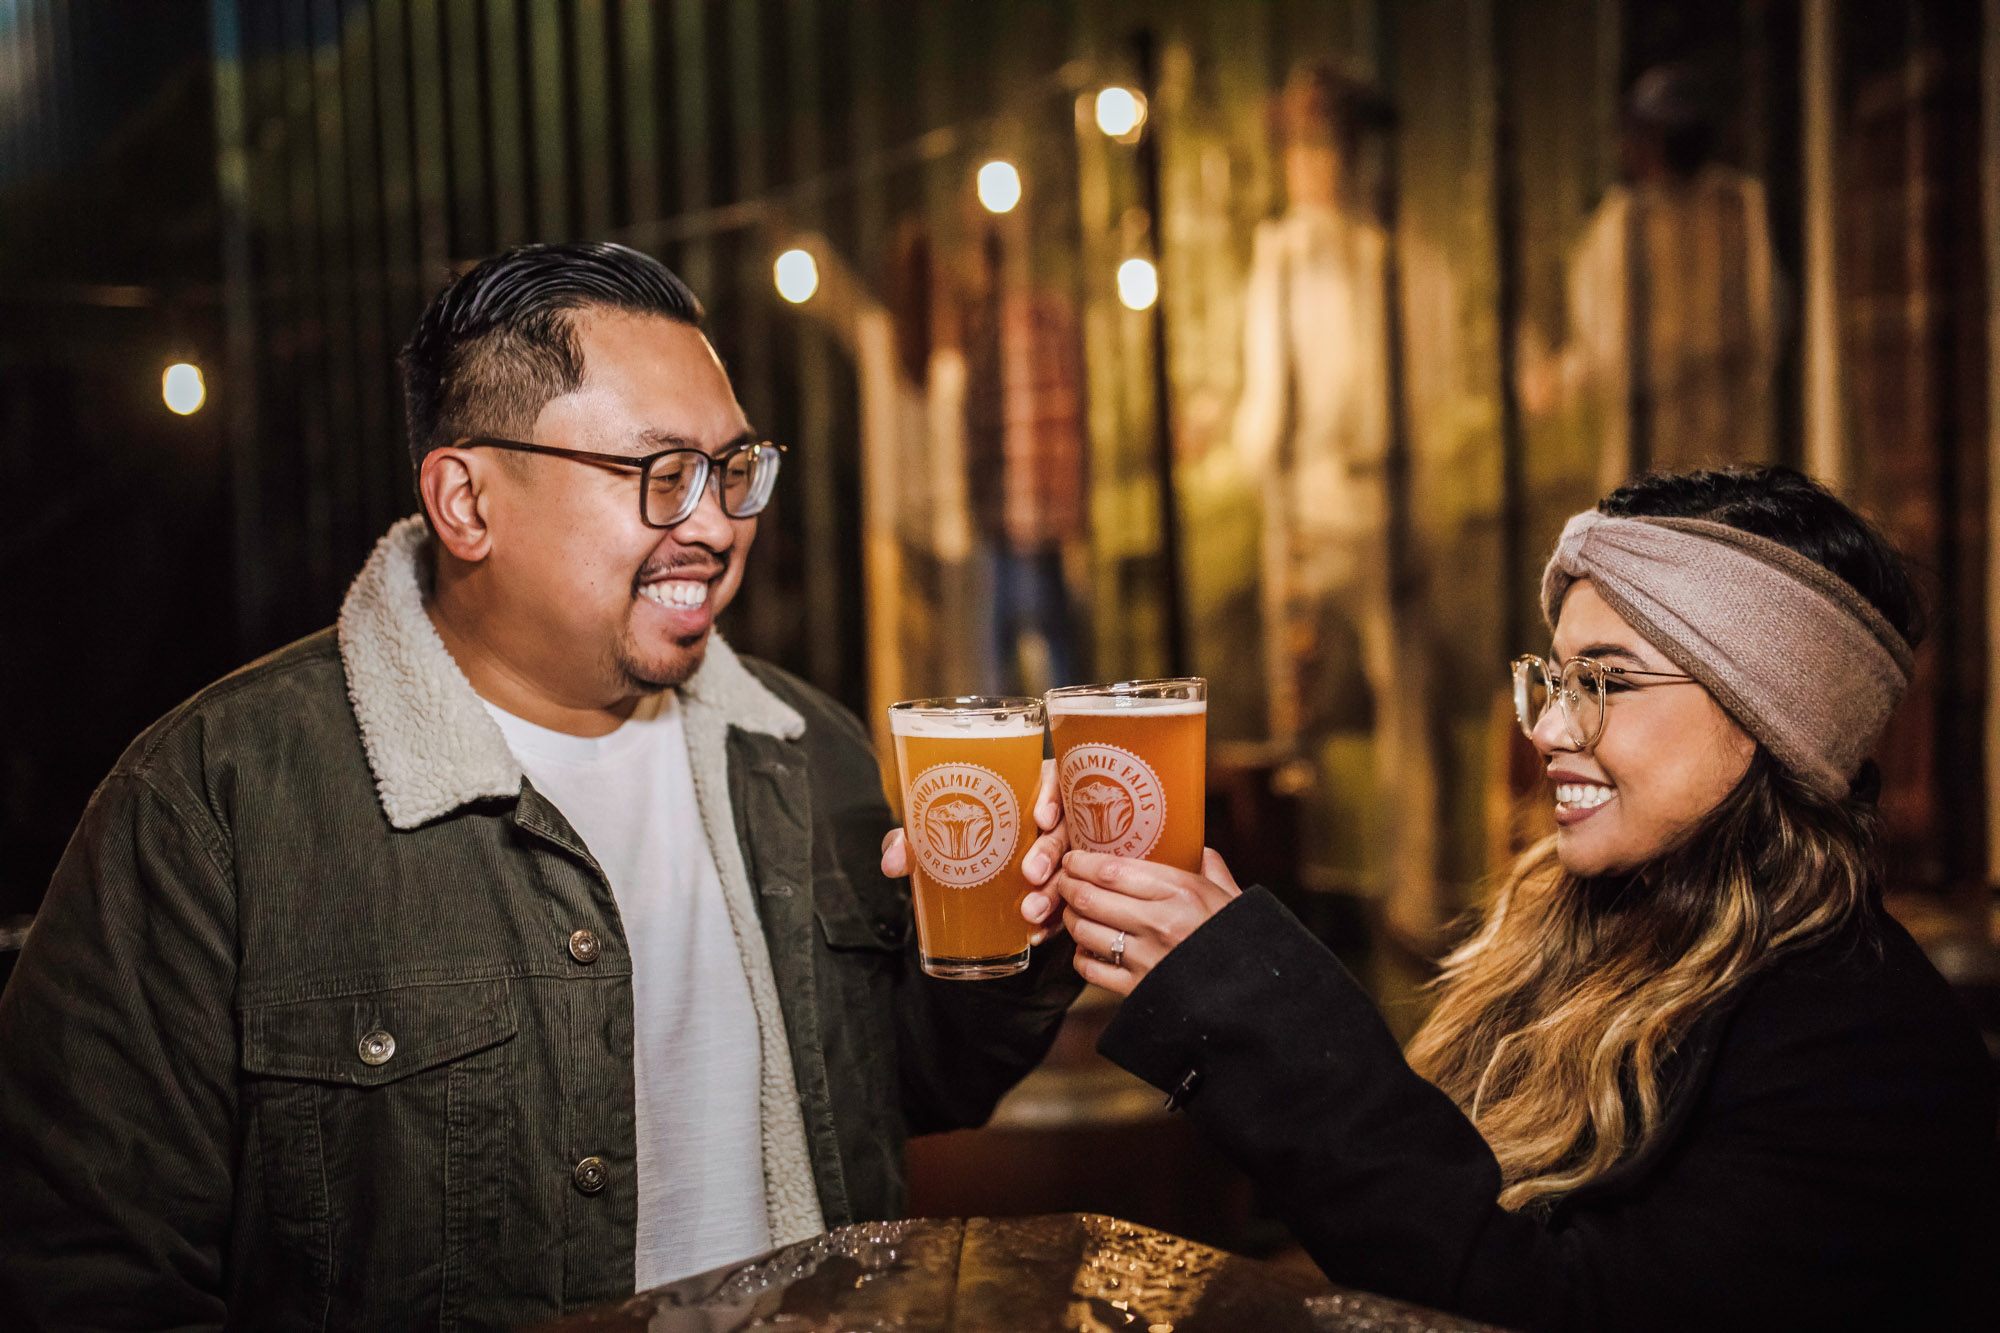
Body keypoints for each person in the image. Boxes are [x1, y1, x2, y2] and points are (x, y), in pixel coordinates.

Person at [0, 242, 1080, 1330]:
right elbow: (80, 1270)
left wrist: (1026, 929)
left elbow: (914, 1085)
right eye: (662, 474)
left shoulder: (804, 748)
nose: (714, 524)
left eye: (734, 468)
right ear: (466, 501)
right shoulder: (216, 804)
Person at [1048, 467, 1997, 1331]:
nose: (1547, 727)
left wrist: (1260, 1001)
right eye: (1552, 676)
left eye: (1605, 682)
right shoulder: (1589, 934)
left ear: (1769, 716)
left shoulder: (1861, 1041)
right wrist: (1214, 984)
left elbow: (1546, 1308)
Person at [1520, 64, 1782, 492]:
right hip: (1658, 450)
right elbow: (1604, 350)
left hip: (1719, 443)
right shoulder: (1623, 222)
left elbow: (1761, 325)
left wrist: (1560, 378)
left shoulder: (1735, 207)